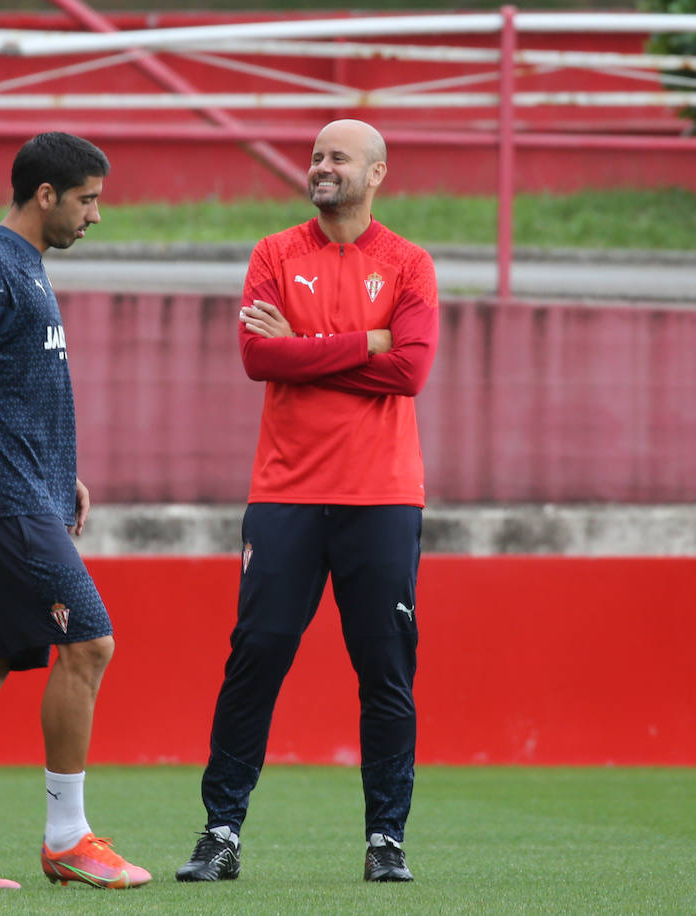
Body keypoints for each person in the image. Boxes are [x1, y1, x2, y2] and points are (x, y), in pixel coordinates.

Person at [174, 119, 438, 885]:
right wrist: (367, 343)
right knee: (255, 657)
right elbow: (260, 356)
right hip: (285, 494)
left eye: (339, 158)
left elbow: (412, 371)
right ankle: (221, 832)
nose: (322, 166)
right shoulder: (274, 253)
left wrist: (308, 347)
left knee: (385, 668)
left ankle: (385, 841)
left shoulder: (409, 263)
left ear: (377, 173)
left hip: (383, 498)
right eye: (317, 155)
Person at [0, 131, 151, 891]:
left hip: (29, 493)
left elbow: (16, 389)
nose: (95, 216)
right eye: (88, 199)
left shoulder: (27, 268)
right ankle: (67, 837)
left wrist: (62, 475)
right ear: (46, 195)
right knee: (91, 645)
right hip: (1, 504)